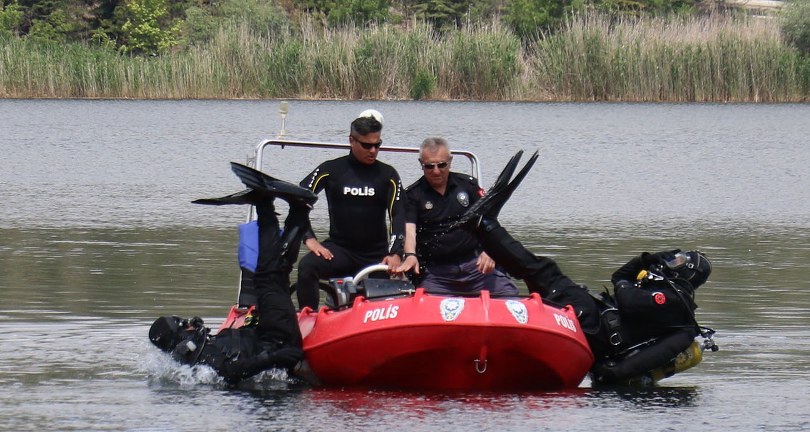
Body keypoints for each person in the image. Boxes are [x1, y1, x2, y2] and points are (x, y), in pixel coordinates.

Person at [446, 150, 715, 385]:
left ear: (688, 274)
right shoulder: (664, 287)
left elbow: (627, 301)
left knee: (542, 271)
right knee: (539, 271)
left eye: (678, 261)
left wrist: (610, 373)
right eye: (674, 257)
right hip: (592, 314)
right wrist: (649, 259)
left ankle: (484, 226)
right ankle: (483, 229)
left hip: (593, 328)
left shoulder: (677, 309)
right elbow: (619, 275)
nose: (672, 262)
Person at [149, 164, 317, 384]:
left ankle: (297, 210)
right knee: (268, 276)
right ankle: (266, 204)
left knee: (275, 271)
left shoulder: (196, 351)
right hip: (278, 342)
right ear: (177, 337)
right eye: (182, 323)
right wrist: (276, 357)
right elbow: (232, 370)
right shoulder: (202, 355)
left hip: (268, 334)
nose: (190, 322)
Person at [295, 109, 405, 310]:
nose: (373, 151)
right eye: (366, 145)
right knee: (307, 267)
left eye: (377, 145)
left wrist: (396, 253)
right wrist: (308, 237)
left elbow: (399, 215)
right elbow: (297, 197)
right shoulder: (331, 170)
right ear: (352, 141)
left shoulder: (388, 174)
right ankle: (308, 322)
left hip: (377, 255)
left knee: (409, 272)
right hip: (340, 251)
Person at [396, 137, 518, 295]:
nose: (436, 171)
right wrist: (410, 255)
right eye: (429, 166)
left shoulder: (468, 185)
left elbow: (489, 220)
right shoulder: (413, 195)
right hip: (437, 274)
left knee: (509, 297)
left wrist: (490, 250)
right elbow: (409, 231)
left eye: (441, 165)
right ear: (421, 164)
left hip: (476, 267)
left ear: (450, 161)